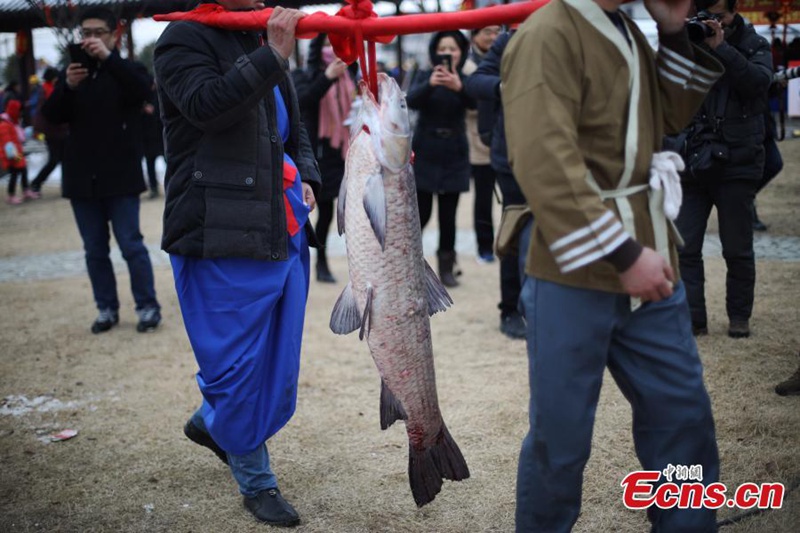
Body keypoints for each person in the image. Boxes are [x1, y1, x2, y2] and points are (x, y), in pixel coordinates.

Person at [502, 0, 724, 530]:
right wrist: (623, 255)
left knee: (682, 417)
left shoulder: (625, 28)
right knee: (561, 439)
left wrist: (672, 33)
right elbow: (542, 159)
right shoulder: (547, 33)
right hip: (573, 270)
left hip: (650, 260)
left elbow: (669, 116)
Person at [154, 2, 320, 526]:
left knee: (275, 358)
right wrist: (272, 54)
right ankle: (256, 482)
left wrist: (309, 171)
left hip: (282, 218)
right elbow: (207, 105)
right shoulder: (183, 37)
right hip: (218, 227)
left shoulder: (257, 36)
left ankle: (212, 423)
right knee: (237, 365)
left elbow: (292, 129)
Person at [42, 7, 162, 334]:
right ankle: (106, 308)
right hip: (81, 178)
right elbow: (50, 116)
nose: (91, 39)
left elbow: (143, 89)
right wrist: (66, 85)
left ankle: (148, 306)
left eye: (97, 32)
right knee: (94, 250)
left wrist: (109, 59)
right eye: (86, 33)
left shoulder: (126, 69)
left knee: (131, 245)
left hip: (120, 175)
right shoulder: (72, 73)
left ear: (113, 34)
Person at [674, 0, 772, 339]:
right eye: (706, 17)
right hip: (693, 160)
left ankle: (739, 317)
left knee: (737, 247)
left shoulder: (753, 42)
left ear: (733, 13)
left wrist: (723, 48)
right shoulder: (686, 39)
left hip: (738, 162)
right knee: (685, 246)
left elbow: (759, 84)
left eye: (720, 16)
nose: (713, 23)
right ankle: (692, 319)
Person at [464, 30, 527, 340]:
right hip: (513, 153)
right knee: (514, 232)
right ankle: (511, 308)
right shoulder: (510, 39)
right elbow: (475, 81)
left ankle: (547, 305)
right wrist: (508, 87)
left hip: (563, 149)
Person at [407, 30, 475, 288]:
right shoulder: (426, 76)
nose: (447, 53)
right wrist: (431, 84)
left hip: (454, 151)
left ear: (461, 52)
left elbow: (476, 104)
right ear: (435, 52)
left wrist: (459, 87)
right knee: (420, 214)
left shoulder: (466, 79)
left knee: (449, 216)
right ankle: (410, 265)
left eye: (453, 49)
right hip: (425, 150)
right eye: (443, 48)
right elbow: (411, 101)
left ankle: (446, 267)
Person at [292, 33, 356, 284]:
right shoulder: (303, 76)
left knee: (346, 211)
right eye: (326, 44)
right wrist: (327, 78)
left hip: (343, 151)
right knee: (323, 210)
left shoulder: (349, 76)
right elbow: (302, 101)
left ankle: (344, 262)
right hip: (317, 153)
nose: (331, 49)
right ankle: (319, 261)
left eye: (335, 44)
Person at [462, 25, 501, 265]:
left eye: (497, 31)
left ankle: (510, 243)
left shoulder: (508, 58)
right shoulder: (467, 67)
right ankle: (484, 246)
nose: (493, 37)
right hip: (479, 138)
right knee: (484, 197)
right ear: (474, 36)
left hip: (508, 135)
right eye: (487, 31)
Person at [30, 67, 67, 196]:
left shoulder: (45, 89)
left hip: (56, 130)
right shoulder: (47, 90)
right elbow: (49, 112)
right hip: (53, 131)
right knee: (55, 159)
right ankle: (36, 183)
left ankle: (66, 185)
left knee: (62, 159)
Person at [0, 100, 31, 205]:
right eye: (19, 111)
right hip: (13, 155)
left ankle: (26, 190)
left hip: (16, 153)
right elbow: (7, 142)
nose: (20, 114)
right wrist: (15, 157)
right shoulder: (5, 124)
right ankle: (11, 195)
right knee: (15, 173)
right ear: (14, 111)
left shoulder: (12, 122)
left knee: (23, 170)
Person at [141, 77, 164, 199]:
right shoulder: (143, 97)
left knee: (170, 162)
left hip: (161, 135)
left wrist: (154, 111)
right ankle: (154, 188)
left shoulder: (159, 95)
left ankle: (171, 185)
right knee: (150, 163)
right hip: (148, 138)